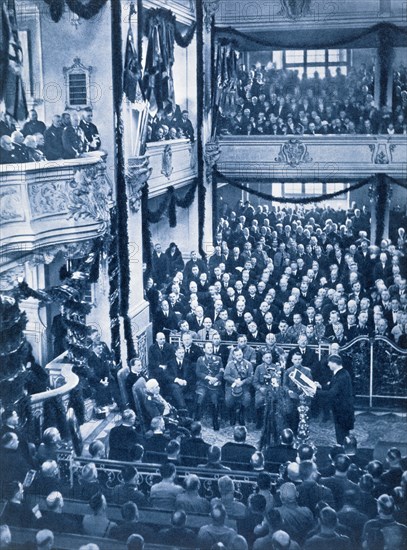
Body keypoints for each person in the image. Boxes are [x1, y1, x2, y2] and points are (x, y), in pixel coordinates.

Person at [313, 354, 354, 444]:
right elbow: (332, 387)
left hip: (342, 411)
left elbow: (332, 393)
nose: (328, 365)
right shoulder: (342, 373)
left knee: (341, 435)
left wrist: (315, 392)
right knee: (343, 434)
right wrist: (320, 386)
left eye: (329, 363)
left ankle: (342, 452)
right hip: (343, 410)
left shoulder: (340, 376)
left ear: (334, 363)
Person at [195, 341, 224, 430]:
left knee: (214, 399)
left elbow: (222, 371)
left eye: (211, 347)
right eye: (208, 347)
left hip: (214, 384)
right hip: (203, 384)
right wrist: (208, 378)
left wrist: (215, 378)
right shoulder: (200, 359)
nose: (210, 349)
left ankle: (215, 420)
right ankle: (197, 418)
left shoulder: (218, 359)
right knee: (201, 396)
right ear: (204, 349)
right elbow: (198, 372)